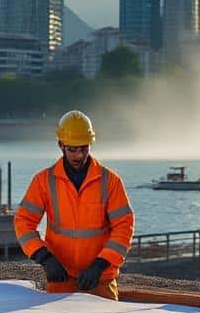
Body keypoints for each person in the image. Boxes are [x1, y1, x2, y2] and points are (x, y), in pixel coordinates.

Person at [13, 110, 134, 299]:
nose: (79, 155)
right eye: (72, 149)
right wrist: (45, 258)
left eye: (84, 148)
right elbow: (23, 222)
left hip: (100, 278)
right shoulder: (44, 181)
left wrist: (100, 264)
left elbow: (124, 226)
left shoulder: (110, 181)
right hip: (61, 277)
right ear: (61, 145)